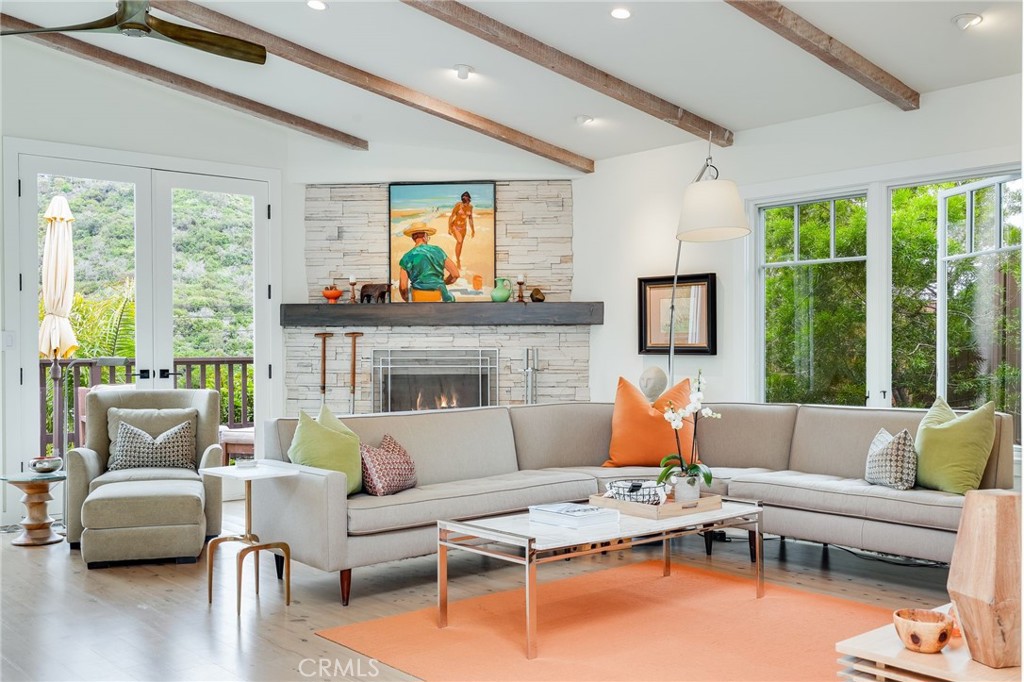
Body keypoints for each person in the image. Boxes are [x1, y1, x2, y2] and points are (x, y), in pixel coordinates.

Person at [398, 222, 459, 302]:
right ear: (425, 236)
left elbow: (403, 287)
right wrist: (445, 282)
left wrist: (407, 299)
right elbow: (455, 274)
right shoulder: (438, 251)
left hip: (417, 297)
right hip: (440, 295)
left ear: (413, 237)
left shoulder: (407, 257)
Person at [447, 191, 475, 269]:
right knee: (459, 241)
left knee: (460, 244)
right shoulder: (458, 205)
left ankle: (458, 259)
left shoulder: (470, 207)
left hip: (463, 228)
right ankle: (458, 260)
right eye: (464, 201)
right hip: (455, 226)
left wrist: (473, 230)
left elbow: (470, 219)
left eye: (467, 201)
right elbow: (451, 216)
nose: (465, 203)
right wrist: (449, 228)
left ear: (469, 200)